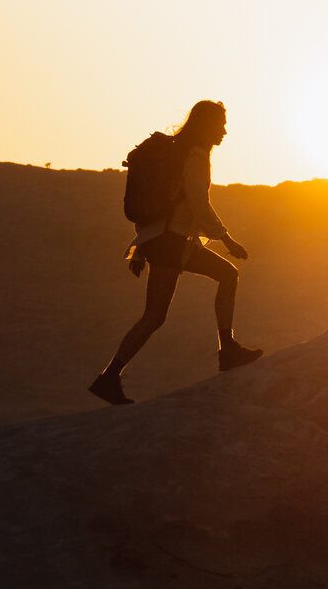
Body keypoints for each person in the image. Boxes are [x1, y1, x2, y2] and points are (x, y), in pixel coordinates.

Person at [88, 100, 261, 405]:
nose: (224, 131)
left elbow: (167, 205)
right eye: (220, 124)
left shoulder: (181, 152)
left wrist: (143, 248)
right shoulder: (194, 156)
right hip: (171, 242)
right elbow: (197, 203)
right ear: (206, 125)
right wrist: (227, 239)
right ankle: (109, 377)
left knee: (221, 279)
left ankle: (227, 348)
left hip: (170, 240)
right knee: (156, 315)